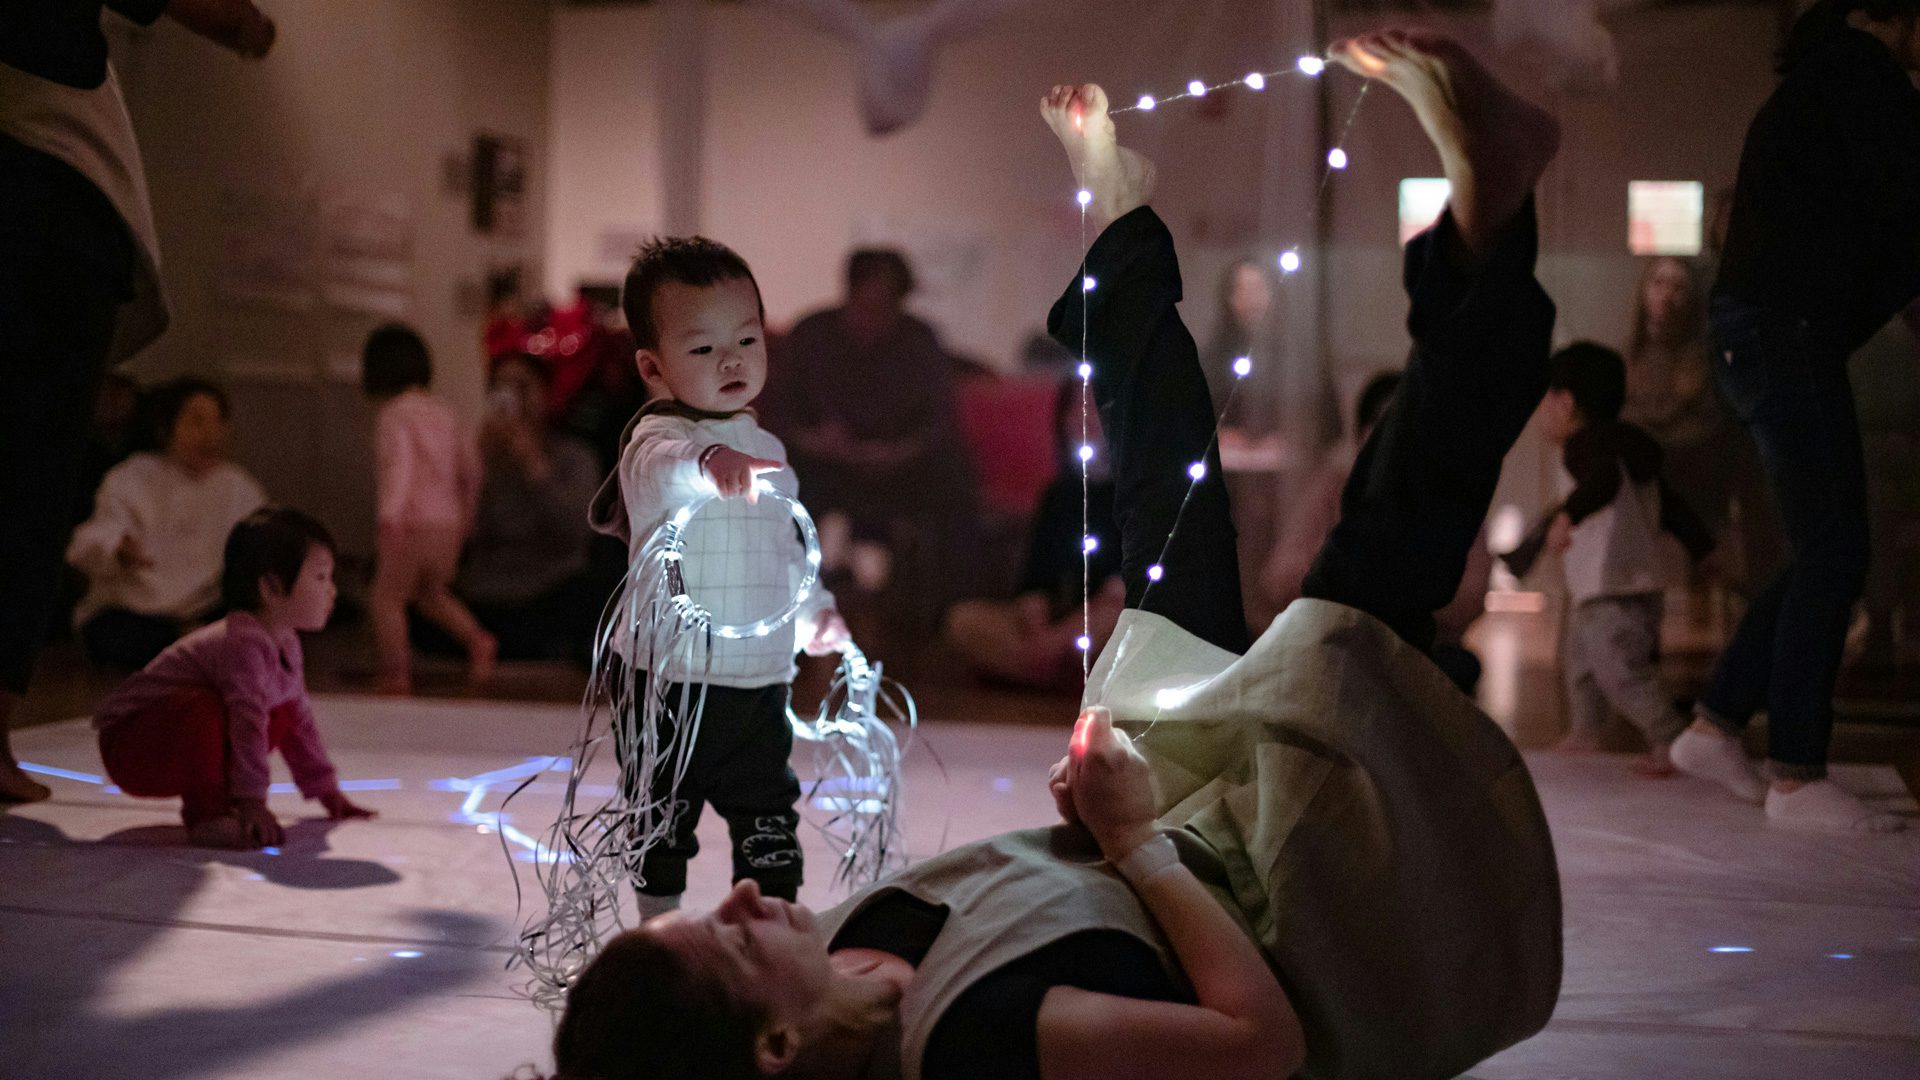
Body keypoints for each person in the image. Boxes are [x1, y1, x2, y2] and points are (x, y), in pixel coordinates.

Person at [535, 34, 1563, 1080]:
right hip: (1290, 874)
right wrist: (1133, 841)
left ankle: (1123, 226)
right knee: (1372, 566)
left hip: (1183, 795)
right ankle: (1490, 224)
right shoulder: (965, 1042)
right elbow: (1260, 1050)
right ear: (776, 1044)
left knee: (1167, 497)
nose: (745, 896)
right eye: (731, 940)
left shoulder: (843, 957)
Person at [0, 0, 275, 802]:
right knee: (27, 473)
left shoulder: (234, 488)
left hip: (44, 178)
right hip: (41, 183)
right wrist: (242, 24)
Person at [1674, 0, 1919, 832]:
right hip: (1784, 333)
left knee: (1823, 545)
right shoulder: (1865, 78)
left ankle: (1717, 723)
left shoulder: (1825, 81)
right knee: (1837, 548)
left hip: (1760, 334)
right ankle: (1795, 774)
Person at [587, 236, 851, 920]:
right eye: (703, 349)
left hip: (757, 678)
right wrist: (707, 463)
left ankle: (771, 925)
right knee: (659, 811)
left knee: (767, 812)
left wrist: (812, 611)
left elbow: (785, 551)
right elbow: (664, 468)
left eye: (747, 339)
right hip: (666, 678)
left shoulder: (771, 452)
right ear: (653, 365)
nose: (732, 360)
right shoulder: (655, 440)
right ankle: (660, 928)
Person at [92, 508, 375, 849]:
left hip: (173, 741)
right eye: (320, 578)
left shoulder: (285, 640)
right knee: (212, 709)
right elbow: (247, 722)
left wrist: (326, 791)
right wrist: (253, 803)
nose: (332, 591)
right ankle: (207, 815)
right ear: (270, 587)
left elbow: (299, 723)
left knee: (283, 715)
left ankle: (221, 802)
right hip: (131, 746)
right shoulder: (243, 642)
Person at [763, 248, 981, 624]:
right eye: (866, 304)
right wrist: (813, 440)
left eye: (885, 306)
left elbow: (940, 423)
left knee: (954, 479)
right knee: (782, 485)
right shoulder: (812, 335)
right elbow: (777, 413)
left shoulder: (918, 341)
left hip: (902, 471)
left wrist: (901, 451)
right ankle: (779, 605)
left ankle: (947, 613)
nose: (873, 319)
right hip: (823, 467)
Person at [1532, 343, 1714, 773]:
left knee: (1619, 670)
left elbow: (1603, 481)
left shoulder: (1585, 448)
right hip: (1622, 586)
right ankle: (1586, 731)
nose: (1539, 413)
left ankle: (1670, 738)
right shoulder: (1629, 450)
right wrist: (1704, 547)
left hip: (1612, 588)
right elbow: (1668, 504)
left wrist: (1566, 516)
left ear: (1565, 402)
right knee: (1583, 664)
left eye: (1542, 401)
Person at [1259, 371, 1491, 694]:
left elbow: (1473, 591)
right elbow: (1279, 575)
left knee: (1451, 670)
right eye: (1384, 429)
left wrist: (1400, 587)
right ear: (1362, 437)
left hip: (1423, 650)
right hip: (1341, 644)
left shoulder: (1451, 495)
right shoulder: (1334, 486)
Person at [66, 378, 267, 670]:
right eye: (197, 422)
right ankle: (189, 643)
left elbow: (266, 536)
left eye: (217, 422)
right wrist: (118, 549)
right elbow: (89, 539)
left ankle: (194, 643)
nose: (209, 434)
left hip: (206, 605)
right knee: (110, 635)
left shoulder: (237, 486)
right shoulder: (131, 477)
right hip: (137, 609)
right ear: (166, 428)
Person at [941, 379, 1124, 692]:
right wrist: (1035, 614)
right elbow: (1035, 582)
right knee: (962, 621)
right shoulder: (1058, 496)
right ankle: (1060, 674)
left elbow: (1121, 595)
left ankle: (1048, 669)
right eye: (1076, 409)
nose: (1086, 419)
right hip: (1055, 629)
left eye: (1097, 408)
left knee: (1117, 623)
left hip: (1104, 630)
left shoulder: (1142, 495)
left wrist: (1060, 638)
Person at [1620, 256, 1780, 597]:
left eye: (1678, 287)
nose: (1667, 296)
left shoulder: (1705, 363)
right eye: (1659, 284)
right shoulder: (1627, 361)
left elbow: (1711, 431)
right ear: (1644, 292)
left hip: (1697, 481)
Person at [361, 323, 496, 696]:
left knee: (386, 598)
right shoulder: (445, 414)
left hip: (410, 522)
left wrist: (389, 514)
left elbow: (399, 465)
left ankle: (395, 673)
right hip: (447, 525)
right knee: (432, 595)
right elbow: (471, 468)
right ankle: (477, 641)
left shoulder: (395, 415)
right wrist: (466, 516)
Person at [451, 353, 607, 663]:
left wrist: (534, 466)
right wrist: (476, 469)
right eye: (502, 388)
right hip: (486, 592)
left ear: (546, 395)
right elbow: (462, 535)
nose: (512, 398)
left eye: (522, 387)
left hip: (549, 590)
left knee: (591, 595)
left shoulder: (575, 456)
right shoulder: (479, 455)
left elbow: (578, 530)